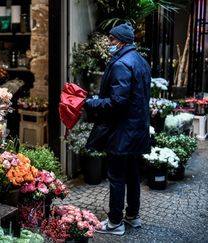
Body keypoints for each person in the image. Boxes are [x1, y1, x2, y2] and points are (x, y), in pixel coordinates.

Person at [84, 23, 151, 235]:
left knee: (116, 176)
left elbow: (117, 102)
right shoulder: (140, 61)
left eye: (112, 40)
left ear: (121, 41)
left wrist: (92, 102)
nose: (109, 43)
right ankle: (133, 216)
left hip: (122, 130)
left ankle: (115, 222)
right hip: (136, 128)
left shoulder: (122, 64)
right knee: (132, 174)